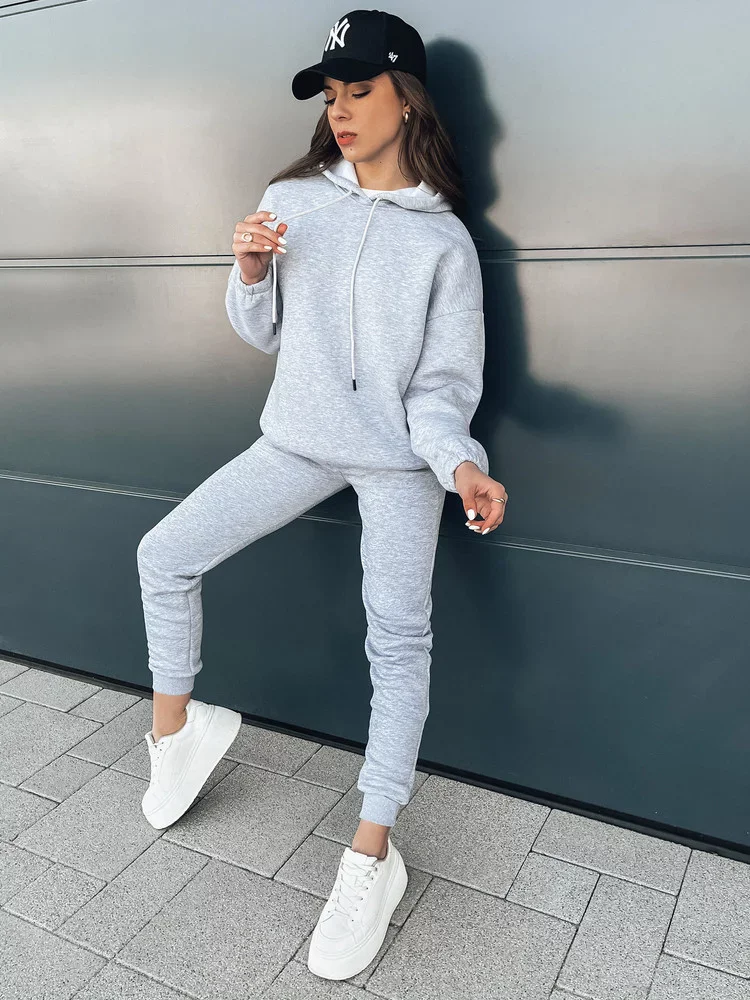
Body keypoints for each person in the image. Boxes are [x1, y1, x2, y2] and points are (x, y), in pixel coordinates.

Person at [136, 8, 508, 983]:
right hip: (294, 439)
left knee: (399, 640)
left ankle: (371, 857)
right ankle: (177, 734)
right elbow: (264, 333)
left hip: (397, 462)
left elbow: (442, 388)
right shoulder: (292, 198)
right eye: (332, 95)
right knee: (163, 554)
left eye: (360, 91)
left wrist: (459, 465)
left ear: (406, 100)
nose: (341, 110)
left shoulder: (444, 244)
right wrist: (250, 270)